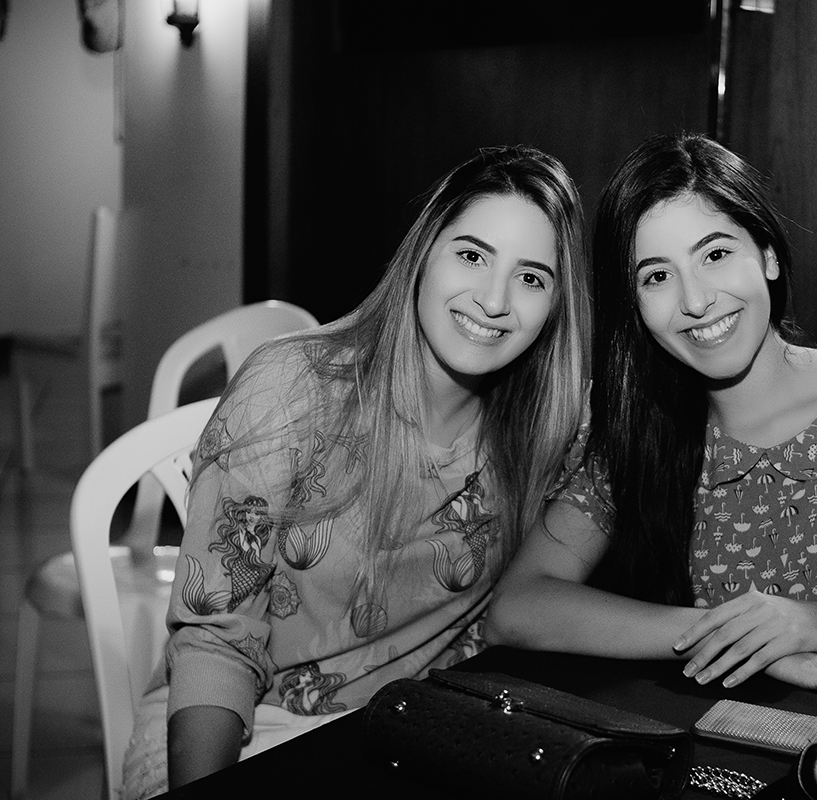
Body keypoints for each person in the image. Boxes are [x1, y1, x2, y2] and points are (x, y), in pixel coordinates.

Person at [487, 132, 817, 720]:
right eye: (657, 276)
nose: (696, 300)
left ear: (767, 254)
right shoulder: (637, 435)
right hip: (735, 742)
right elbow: (516, 608)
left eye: (715, 255)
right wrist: (735, 635)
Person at [121, 145, 591, 798]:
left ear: (556, 305)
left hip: (411, 734)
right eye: (472, 255)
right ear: (424, 252)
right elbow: (214, 642)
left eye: (532, 278)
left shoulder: (548, 430)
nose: (493, 299)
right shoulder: (293, 387)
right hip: (249, 725)